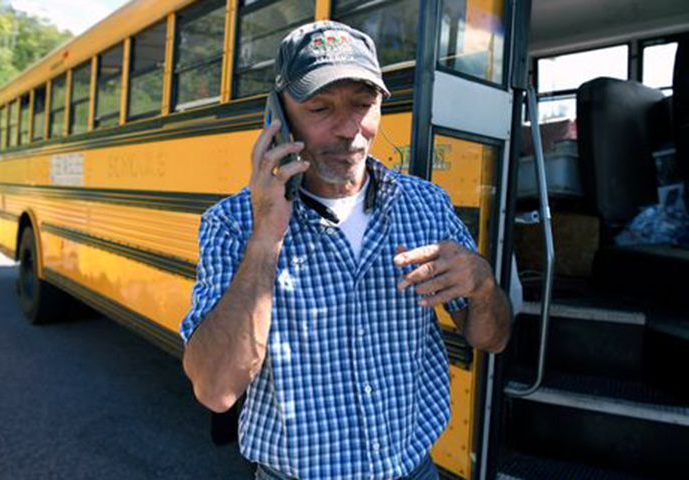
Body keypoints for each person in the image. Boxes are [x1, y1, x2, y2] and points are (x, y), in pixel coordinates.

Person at [180, 21, 512, 480]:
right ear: (278, 117)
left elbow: (491, 338)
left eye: (364, 104)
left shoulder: (426, 206)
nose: (350, 129)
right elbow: (216, 390)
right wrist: (265, 241)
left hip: (415, 471)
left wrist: (482, 284)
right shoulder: (234, 224)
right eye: (320, 108)